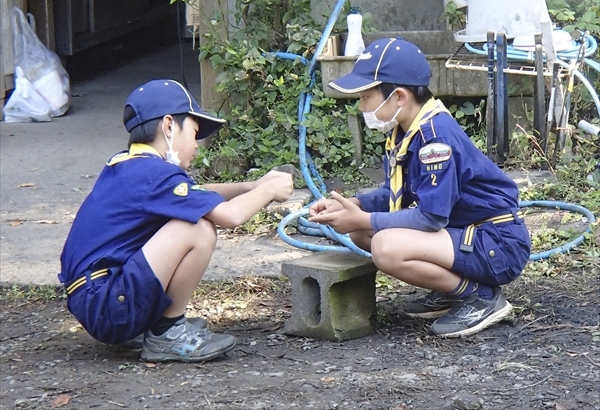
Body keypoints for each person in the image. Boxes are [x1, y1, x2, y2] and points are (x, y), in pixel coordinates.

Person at [308, 38, 531, 338]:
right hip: (468, 236)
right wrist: (354, 206)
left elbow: (431, 218)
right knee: (360, 233)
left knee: (385, 247)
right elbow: (398, 194)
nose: (361, 106)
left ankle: (479, 296)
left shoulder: (434, 139)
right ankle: (450, 289)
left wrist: (363, 218)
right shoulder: (407, 130)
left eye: (365, 97)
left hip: (496, 243)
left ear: (398, 96)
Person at [59, 79, 294, 362]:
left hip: (97, 299)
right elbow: (230, 217)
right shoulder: (156, 175)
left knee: (194, 215)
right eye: (194, 133)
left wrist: (252, 185)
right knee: (199, 228)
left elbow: (197, 194)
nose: (197, 145)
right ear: (169, 126)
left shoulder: (130, 165)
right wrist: (268, 190)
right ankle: (167, 333)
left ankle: (157, 327)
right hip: (108, 305)